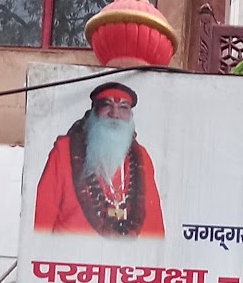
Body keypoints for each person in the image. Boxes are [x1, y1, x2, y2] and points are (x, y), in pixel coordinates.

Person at [33, 81, 166, 238]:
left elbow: (155, 229)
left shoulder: (142, 157)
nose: (115, 114)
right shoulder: (64, 151)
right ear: (93, 112)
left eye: (123, 107)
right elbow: (40, 224)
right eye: (107, 105)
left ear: (131, 117)